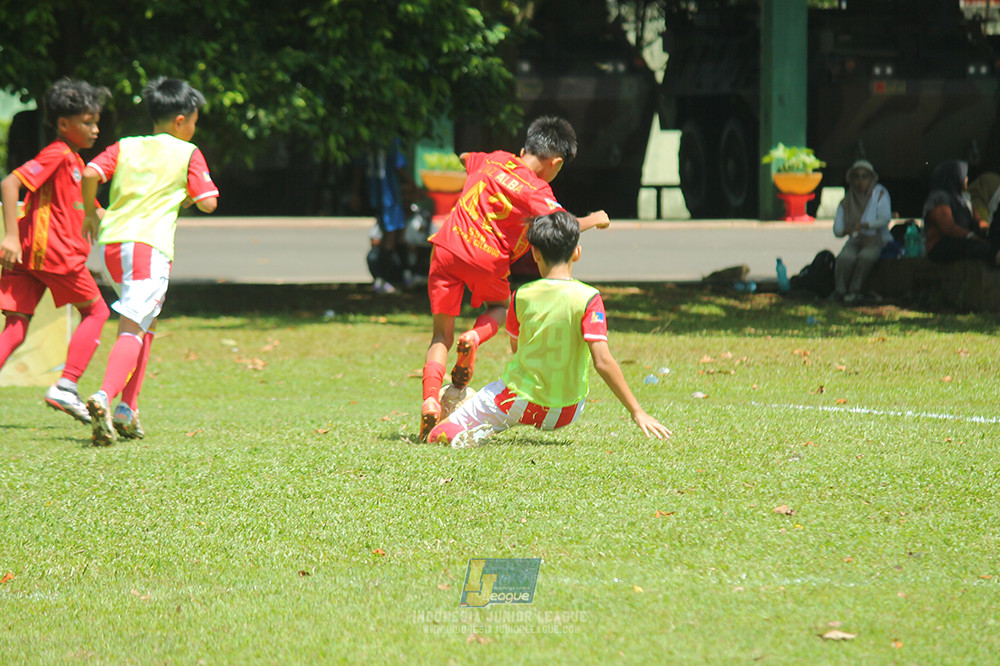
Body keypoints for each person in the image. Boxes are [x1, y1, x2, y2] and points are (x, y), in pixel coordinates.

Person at [418, 116, 610, 441]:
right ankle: (476, 338)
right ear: (556, 162)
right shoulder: (538, 190)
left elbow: (466, 158)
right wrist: (597, 219)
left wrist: (471, 162)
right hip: (485, 258)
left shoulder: (493, 159)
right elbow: (564, 225)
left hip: (446, 247)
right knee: (499, 305)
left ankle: (431, 399)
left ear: (524, 148)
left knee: (440, 337)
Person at [427, 211, 672, 448]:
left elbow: (517, 348)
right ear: (577, 253)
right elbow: (603, 361)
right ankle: (478, 421)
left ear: (534, 253)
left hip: (516, 400)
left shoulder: (521, 296)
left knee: (438, 433)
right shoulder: (589, 298)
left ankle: (468, 426)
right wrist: (637, 412)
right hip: (566, 411)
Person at [81, 77, 219, 445]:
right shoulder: (187, 152)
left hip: (112, 246)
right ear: (180, 120)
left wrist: (92, 213)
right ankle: (105, 397)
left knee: (145, 323)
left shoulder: (126, 146)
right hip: (148, 248)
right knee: (132, 326)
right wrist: (188, 195)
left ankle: (129, 408)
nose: (195, 126)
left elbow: (91, 172)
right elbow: (208, 201)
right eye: (194, 119)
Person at [0, 78, 112, 424]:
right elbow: (10, 182)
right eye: (88, 122)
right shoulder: (58, 153)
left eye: (96, 121)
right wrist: (9, 237)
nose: (95, 129)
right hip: (52, 253)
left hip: (31, 255)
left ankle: (66, 385)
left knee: (17, 326)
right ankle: (66, 385)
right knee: (97, 313)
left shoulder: (76, 163)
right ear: (64, 124)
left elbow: (94, 211)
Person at [831, 160, 892, 303]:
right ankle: (840, 291)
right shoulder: (847, 202)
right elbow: (838, 230)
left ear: (871, 178)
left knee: (866, 257)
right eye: (856, 177)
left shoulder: (879, 195)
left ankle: (855, 291)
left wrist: (865, 225)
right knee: (845, 258)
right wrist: (849, 229)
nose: (860, 181)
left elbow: (885, 219)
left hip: (876, 240)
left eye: (864, 177)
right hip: (855, 240)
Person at [922, 160, 1000, 265]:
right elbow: (948, 227)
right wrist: (971, 236)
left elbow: (977, 220)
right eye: (964, 175)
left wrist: (987, 230)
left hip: (963, 240)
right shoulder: (939, 198)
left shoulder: (964, 199)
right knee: (974, 247)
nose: (966, 179)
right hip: (942, 245)